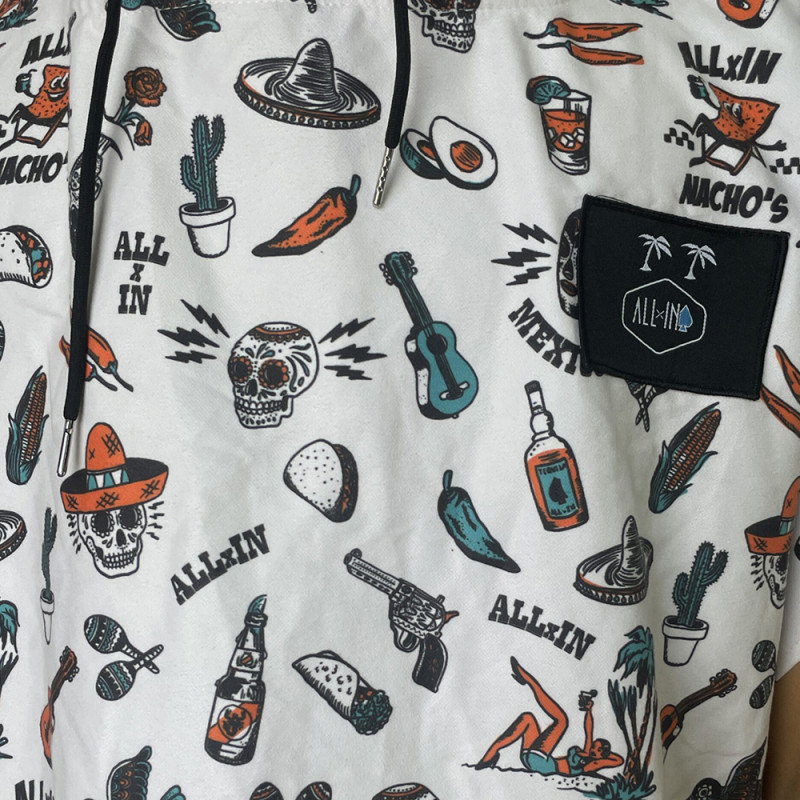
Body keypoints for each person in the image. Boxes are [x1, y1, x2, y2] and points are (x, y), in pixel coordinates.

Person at [476, 657, 623, 777]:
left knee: (562, 721)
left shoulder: (592, 763)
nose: (593, 750)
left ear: (602, 756)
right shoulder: (587, 752)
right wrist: (589, 711)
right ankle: (491, 753)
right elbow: (589, 731)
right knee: (528, 718)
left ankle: (529, 680)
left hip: (542, 763)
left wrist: (601, 756)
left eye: (598, 750)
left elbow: (618, 760)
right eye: (595, 747)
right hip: (531, 757)